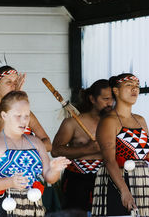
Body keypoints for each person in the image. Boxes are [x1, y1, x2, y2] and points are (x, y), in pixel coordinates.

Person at [0, 91, 70, 216]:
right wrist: (10, 182)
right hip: (1, 207)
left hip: (32, 206)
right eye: (18, 116)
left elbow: (49, 178)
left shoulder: (36, 143)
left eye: (27, 116)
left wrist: (54, 169)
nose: (24, 120)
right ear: (4, 115)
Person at [92, 73, 149, 216]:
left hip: (143, 183)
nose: (135, 90)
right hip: (118, 183)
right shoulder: (109, 121)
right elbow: (109, 160)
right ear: (116, 90)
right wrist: (124, 191)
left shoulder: (141, 120)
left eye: (137, 87)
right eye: (129, 86)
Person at [51, 79, 113, 212]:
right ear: (92, 99)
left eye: (112, 99)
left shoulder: (115, 123)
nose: (110, 103)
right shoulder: (72, 123)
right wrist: (87, 149)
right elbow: (55, 151)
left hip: (107, 178)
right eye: (106, 99)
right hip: (77, 180)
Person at [0, 66, 52, 151]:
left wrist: (26, 149)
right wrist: (12, 101)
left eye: (16, 83)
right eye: (9, 82)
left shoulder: (25, 112)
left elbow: (48, 144)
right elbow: (1, 138)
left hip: (28, 162)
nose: (14, 86)